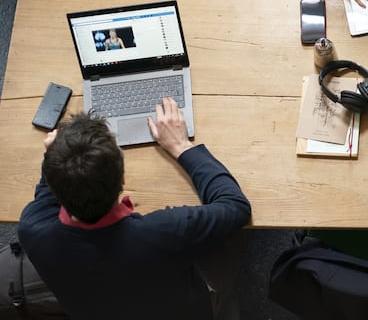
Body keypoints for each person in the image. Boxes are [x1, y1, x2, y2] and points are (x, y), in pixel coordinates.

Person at [18, 97, 252, 320]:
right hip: (186, 311)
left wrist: (56, 155)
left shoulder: (33, 228)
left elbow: (45, 197)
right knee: (236, 237)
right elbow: (235, 206)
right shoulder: (164, 232)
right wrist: (182, 146)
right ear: (122, 180)